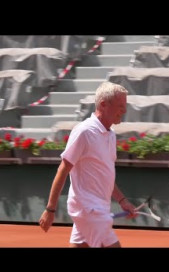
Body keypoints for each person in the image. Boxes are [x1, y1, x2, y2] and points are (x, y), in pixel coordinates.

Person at [38, 81, 137, 247]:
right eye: (120, 106)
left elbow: (105, 175)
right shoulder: (84, 131)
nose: (124, 110)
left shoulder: (110, 136)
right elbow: (63, 170)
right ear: (104, 105)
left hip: (96, 209)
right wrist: (50, 209)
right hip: (89, 209)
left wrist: (122, 200)